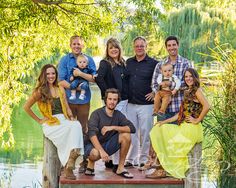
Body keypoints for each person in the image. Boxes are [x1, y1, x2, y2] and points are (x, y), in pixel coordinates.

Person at [24, 64, 84, 180]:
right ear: (43, 75)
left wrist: (71, 116)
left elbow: (66, 106)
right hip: (50, 123)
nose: (51, 76)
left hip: (64, 119)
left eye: (53, 73)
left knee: (76, 124)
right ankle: (68, 165)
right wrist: (39, 120)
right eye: (48, 74)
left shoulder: (60, 88)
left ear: (56, 75)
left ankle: (72, 158)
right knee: (71, 129)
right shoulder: (39, 91)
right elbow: (26, 107)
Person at [147, 68, 210, 179]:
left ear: (195, 77)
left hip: (192, 128)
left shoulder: (197, 91)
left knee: (169, 140)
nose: (188, 78)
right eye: (186, 77)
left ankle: (162, 169)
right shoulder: (188, 91)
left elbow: (207, 106)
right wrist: (164, 122)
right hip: (184, 125)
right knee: (158, 128)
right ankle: (160, 167)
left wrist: (197, 120)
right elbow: (180, 114)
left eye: (191, 76)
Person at [58, 35, 96, 172]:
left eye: (79, 44)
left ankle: (84, 161)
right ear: (70, 45)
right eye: (74, 44)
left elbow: (93, 79)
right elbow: (60, 81)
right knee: (68, 129)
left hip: (84, 101)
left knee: (83, 129)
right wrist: (76, 88)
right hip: (68, 101)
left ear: (82, 45)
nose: (76, 46)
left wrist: (80, 74)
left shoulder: (89, 59)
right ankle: (67, 161)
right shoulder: (64, 60)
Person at [84, 88, 136, 178]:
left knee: (126, 135)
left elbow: (132, 128)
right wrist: (102, 152)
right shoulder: (96, 114)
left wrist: (112, 127)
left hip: (107, 144)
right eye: (110, 99)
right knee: (95, 154)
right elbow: (91, 134)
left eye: (115, 99)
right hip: (91, 145)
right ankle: (91, 162)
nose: (112, 102)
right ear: (105, 100)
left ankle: (120, 168)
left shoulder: (118, 115)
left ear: (117, 101)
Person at [95, 37, 129, 169]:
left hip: (125, 101)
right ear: (107, 50)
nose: (114, 50)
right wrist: (108, 95)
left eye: (116, 47)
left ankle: (114, 160)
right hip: (114, 102)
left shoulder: (122, 63)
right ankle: (113, 162)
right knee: (115, 131)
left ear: (119, 49)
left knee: (120, 129)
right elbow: (99, 79)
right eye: (111, 48)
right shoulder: (105, 63)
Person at [125, 36, 158, 168]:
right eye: (137, 46)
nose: (139, 48)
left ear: (146, 47)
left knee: (146, 132)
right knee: (132, 132)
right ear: (134, 47)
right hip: (131, 103)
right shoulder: (128, 62)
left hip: (147, 105)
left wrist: (155, 92)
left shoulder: (154, 63)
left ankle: (144, 158)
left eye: (141, 46)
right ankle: (131, 158)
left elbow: (161, 80)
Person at [152, 36, 192, 121]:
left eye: (174, 44)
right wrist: (162, 94)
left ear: (178, 45)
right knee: (163, 134)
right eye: (169, 45)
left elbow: (189, 83)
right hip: (163, 110)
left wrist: (170, 84)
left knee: (180, 134)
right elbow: (154, 84)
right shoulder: (160, 65)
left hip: (180, 108)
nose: (171, 47)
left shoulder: (186, 63)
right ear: (166, 47)